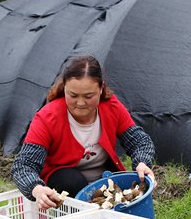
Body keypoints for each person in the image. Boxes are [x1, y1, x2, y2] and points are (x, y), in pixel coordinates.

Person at [11, 55, 156, 210]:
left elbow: (139, 141)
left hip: (104, 183)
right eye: (73, 95)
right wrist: (37, 189)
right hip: (64, 186)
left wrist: (142, 162)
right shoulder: (47, 118)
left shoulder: (111, 107)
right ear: (64, 88)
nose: (80, 103)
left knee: (133, 184)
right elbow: (23, 165)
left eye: (89, 96)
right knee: (71, 182)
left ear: (101, 89)